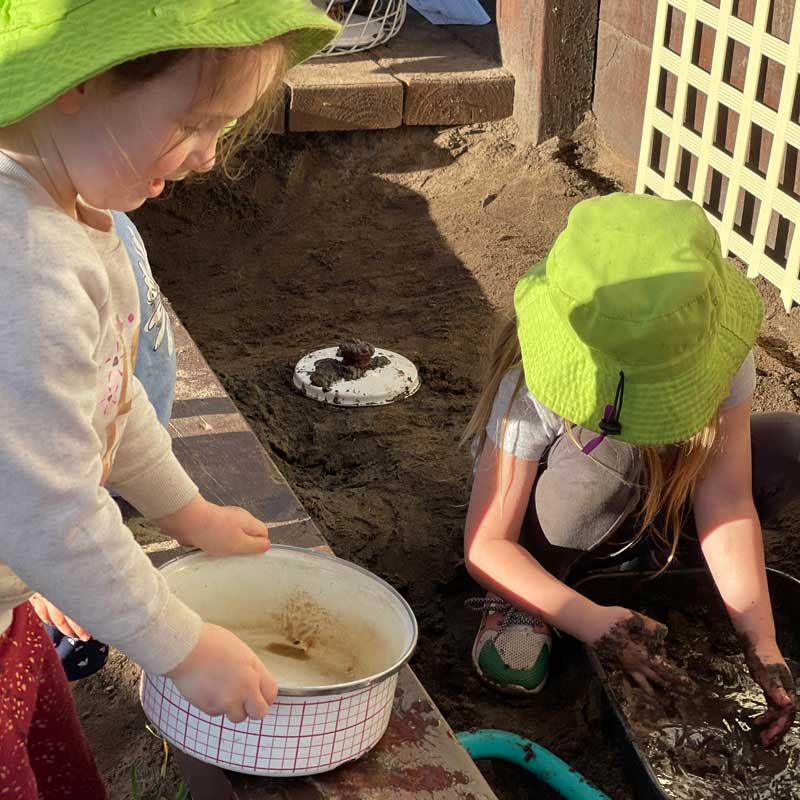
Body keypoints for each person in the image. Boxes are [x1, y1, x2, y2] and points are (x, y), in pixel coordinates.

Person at [0, 2, 339, 797]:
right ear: (81, 79)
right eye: (195, 122)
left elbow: (114, 407)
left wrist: (190, 515)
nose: (208, 158)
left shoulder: (81, 215)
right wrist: (181, 646)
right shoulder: (25, 270)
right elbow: (49, 509)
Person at [462, 193, 798, 748]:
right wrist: (597, 625)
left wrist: (760, 641)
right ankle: (531, 600)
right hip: (558, 519)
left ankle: (660, 561)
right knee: (614, 458)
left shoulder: (714, 342)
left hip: (663, 495)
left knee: (789, 443)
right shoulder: (533, 379)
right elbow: (486, 544)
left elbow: (729, 497)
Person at [34, 210, 177, 681]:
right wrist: (39, 569)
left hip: (91, 467)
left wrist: (189, 512)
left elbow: (117, 397)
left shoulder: (92, 225)